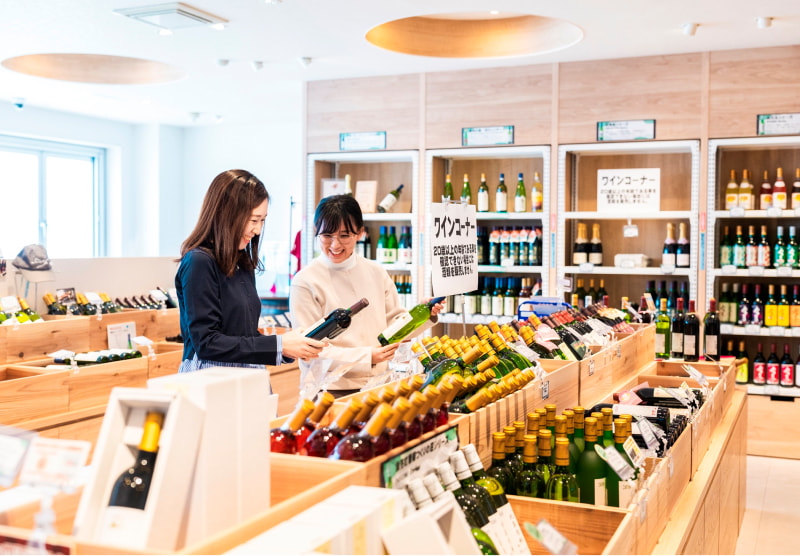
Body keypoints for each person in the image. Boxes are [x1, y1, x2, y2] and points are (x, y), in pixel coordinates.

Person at [290, 194, 443, 396]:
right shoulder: (305, 281)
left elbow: (395, 326)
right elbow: (309, 349)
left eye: (344, 236)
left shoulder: (376, 272)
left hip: (378, 385)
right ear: (316, 231)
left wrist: (423, 314)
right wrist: (368, 356)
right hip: (328, 390)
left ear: (360, 233)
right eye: (327, 235)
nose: (335, 245)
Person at [176, 169, 325, 375]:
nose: (258, 230)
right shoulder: (199, 262)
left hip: (247, 376)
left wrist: (290, 346)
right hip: (210, 378)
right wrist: (279, 345)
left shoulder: (241, 261)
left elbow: (245, 337)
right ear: (226, 214)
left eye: (262, 220)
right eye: (254, 220)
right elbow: (207, 343)